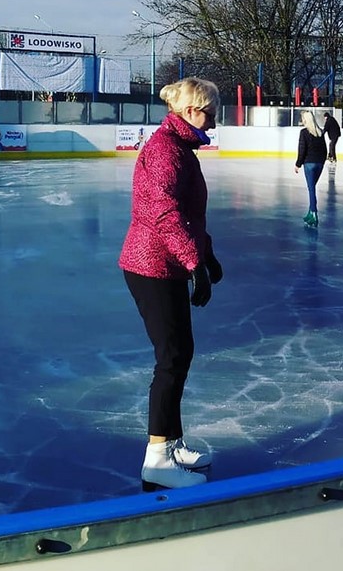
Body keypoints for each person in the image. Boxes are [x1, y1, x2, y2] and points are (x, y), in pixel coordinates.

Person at [119, 77, 224, 490]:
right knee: (172, 357)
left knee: (180, 352)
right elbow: (164, 214)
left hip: (167, 263)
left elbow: (189, 215)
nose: (214, 123)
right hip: (151, 265)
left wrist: (206, 255)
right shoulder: (165, 151)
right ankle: (157, 459)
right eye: (211, 114)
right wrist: (194, 262)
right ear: (192, 112)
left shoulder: (179, 148)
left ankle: (172, 442)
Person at [294, 110, 328, 227]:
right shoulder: (320, 132)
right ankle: (310, 213)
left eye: (303, 119)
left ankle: (314, 213)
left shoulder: (304, 132)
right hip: (319, 164)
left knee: (311, 189)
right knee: (312, 188)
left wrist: (298, 164)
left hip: (309, 164)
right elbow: (324, 150)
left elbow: (302, 150)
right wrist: (322, 162)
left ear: (305, 120)